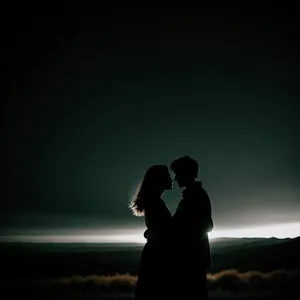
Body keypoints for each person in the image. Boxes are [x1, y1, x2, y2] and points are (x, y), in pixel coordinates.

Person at [129, 165, 175, 300]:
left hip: (155, 252)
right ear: (159, 179)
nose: (171, 179)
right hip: (158, 254)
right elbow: (166, 230)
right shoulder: (155, 202)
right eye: (167, 176)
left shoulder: (153, 201)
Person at [171, 156, 213, 299]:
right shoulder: (191, 196)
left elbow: (207, 225)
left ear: (189, 174)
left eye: (178, 173)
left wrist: (180, 237)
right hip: (192, 260)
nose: (175, 178)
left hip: (192, 261)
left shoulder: (197, 196)